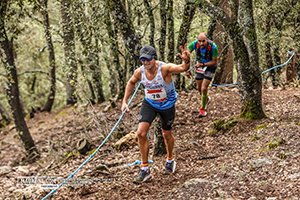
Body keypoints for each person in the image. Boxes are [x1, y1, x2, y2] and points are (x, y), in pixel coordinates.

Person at [121, 45, 190, 183]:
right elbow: (131, 82)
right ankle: (145, 169)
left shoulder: (164, 69)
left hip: (167, 105)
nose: (145, 63)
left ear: (154, 59)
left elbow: (183, 68)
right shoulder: (139, 72)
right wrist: (124, 102)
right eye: (142, 60)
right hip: (150, 103)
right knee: (140, 133)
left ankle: (170, 159)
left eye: (148, 60)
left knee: (166, 134)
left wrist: (186, 60)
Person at [187, 32, 218, 117]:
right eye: (199, 41)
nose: (201, 43)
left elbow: (214, 61)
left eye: (203, 41)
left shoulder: (213, 47)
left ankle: (202, 109)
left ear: (207, 40)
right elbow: (187, 52)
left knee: (204, 88)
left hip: (210, 66)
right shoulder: (194, 44)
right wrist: (186, 57)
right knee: (199, 88)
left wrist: (203, 65)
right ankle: (206, 99)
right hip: (199, 66)